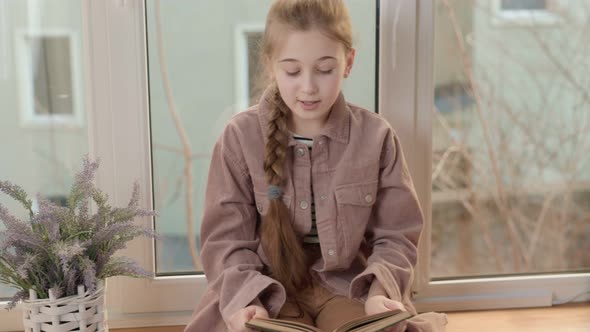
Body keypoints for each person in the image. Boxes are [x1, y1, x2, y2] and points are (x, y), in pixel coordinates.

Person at [184, 1, 446, 331]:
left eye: (324, 69)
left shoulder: (377, 137)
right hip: (266, 290)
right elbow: (225, 242)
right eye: (292, 71)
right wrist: (246, 302)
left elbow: (397, 235)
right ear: (270, 64)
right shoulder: (239, 138)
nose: (308, 86)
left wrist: (380, 292)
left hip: (350, 288)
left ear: (348, 62)